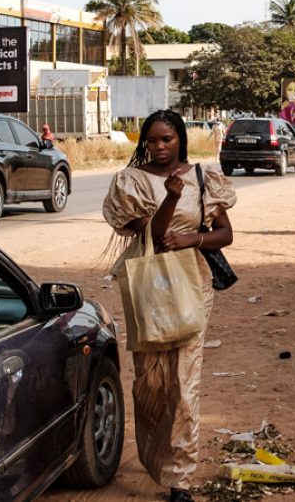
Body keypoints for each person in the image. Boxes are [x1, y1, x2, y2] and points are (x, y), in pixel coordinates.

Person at [102, 109, 236, 502]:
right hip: (148, 285)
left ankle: (181, 478)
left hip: (192, 282)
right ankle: (155, 455)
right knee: (151, 379)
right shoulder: (132, 182)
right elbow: (153, 237)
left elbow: (225, 235)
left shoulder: (202, 177)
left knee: (184, 381)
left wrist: (193, 239)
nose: (159, 147)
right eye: (153, 140)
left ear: (181, 139)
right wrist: (170, 200)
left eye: (168, 139)